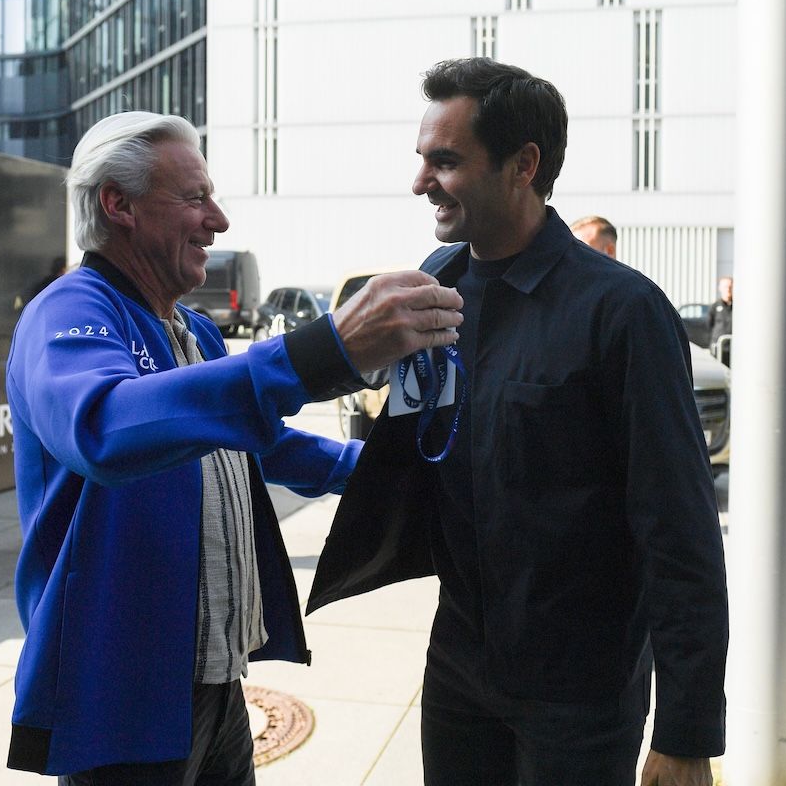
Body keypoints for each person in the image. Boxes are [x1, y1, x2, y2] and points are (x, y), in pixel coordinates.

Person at [4, 111, 463, 783]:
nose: (218, 221)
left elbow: (266, 446)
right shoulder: (70, 310)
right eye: (195, 198)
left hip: (217, 686)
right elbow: (100, 427)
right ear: (117, 204)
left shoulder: (191, 329)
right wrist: (318, 351)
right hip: (123, 698)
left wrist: (393, 472)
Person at [308, 59, 728, 786]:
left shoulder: (621, 312)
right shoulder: (434, 285)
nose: (421, 182)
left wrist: (687, 732)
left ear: (522, 165)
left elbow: (679, 526)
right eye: (422, 160)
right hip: (458, 675)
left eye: (445, 161)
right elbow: (415, 451)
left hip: (581, 697)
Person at [707, 275, 734, 364]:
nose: (728, 289)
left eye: (730, 286)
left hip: (734, 349)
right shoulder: (715, 306)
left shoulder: (739, 306)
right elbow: (709, 325)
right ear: (720, 288)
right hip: (718, 348)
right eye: (726, 287)